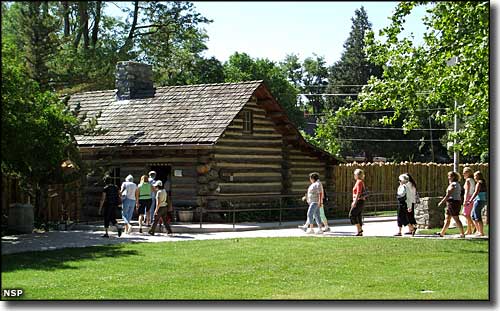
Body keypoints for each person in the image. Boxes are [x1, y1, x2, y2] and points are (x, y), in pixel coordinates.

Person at [436, 171, 465, 238]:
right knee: (447, 218)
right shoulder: (456, 184)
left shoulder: (453, 184)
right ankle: (442, 233)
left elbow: (448, 195)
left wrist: (441, 202)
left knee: (456, 218)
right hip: (452, 202)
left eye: (450, 176)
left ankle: (462, 234)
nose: (448, 178)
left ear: (453, 177)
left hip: (453, 203)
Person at [467, 171, 487, 236]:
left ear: (478, 176)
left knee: (477, 216)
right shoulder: (482, 182)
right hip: (479, 200)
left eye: (475, 176)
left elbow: (476, 192)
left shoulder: (479, 183)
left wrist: (470, 200)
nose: (474, 177)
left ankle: (481, 232)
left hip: (479, 200)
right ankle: (478, 231)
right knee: (473, 215)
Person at [350, 169, 366, 236]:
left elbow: (358, 192)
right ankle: (359, 232)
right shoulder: (359, 181)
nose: (354, 175)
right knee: (358, 215)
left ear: (357, 175)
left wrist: (355, 202)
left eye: (355, 174)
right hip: (360, 201)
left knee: (352, 215)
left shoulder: (359, 182)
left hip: (359, 201)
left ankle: (359, 229)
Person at [462, 167, 476, 235]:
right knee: (467, 214)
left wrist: (465, 200)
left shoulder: (468, 180)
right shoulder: (472, 180)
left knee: (466, 214)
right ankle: (469, 229)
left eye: (465, 172)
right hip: (472, 197)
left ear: (468, 173)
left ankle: (473, 225)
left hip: (468, 197)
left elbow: (467, 191)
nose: (463, 174)